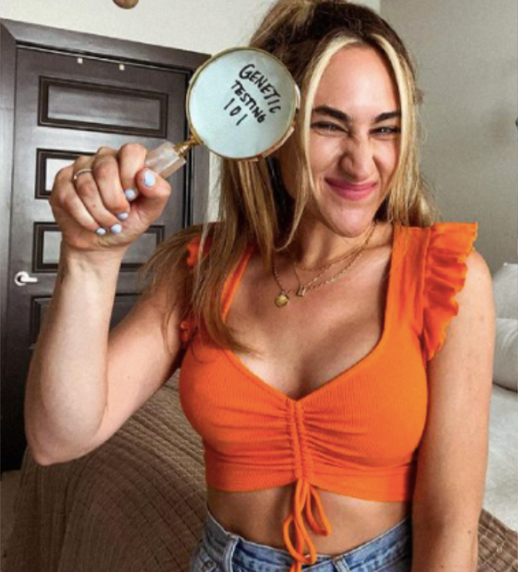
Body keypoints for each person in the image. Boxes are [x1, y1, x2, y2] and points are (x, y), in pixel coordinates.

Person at [25, 1, 495, 571]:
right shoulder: (203, 269)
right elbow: (57, 438)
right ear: (272, 133)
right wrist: (89, 259)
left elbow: (448, 525)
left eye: (385, 130)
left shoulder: (448, 276)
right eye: (328, 124)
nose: (362, 163)